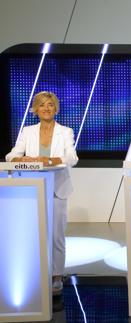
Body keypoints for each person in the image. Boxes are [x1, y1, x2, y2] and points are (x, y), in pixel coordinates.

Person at [6, 91, 79, 295]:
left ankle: (57, 274)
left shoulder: (65, 131)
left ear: (56, 108)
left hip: (57, 188)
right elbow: (12, 155)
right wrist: (21, 160)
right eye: (42, 105)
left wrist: (48, 160)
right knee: (33, 233)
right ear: (35, 109)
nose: (46, 108)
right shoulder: (27, 131)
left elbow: (71, 158)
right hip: (32, 189)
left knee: (56, 235)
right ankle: (35, 271)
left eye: (50, 105)